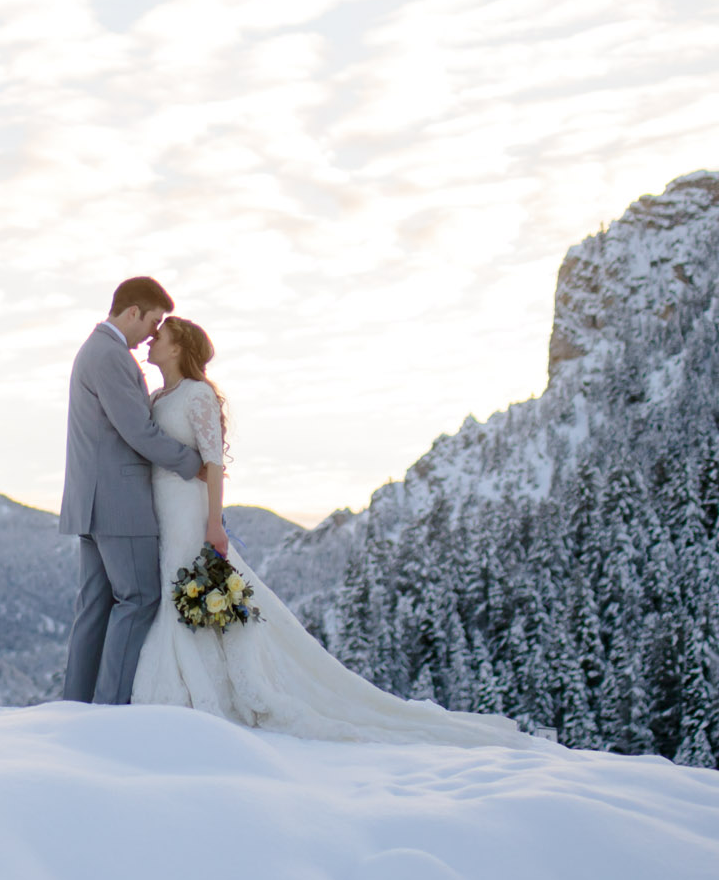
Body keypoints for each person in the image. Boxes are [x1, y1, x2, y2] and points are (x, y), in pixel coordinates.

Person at [128, 315, 539, 748]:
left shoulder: (198, 396)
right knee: (174, 587)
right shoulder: (159, 396)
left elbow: (214, 463)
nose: (152, 341)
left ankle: (210, 690)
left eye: (161, 336)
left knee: (191, 591)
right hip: (163, 513)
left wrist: (215, 523)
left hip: (191, 513)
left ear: (177, 348)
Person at [59, 277, 206, 705]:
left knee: (95, 608)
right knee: (139, 597)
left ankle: (77, 704)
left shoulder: (95, 350)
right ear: (132, 313)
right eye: (154, 321)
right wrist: (191, 464)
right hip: (118, 503)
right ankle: (108, 710)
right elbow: (137, 430)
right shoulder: (109, 356)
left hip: (93, 501)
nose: (152, 334)